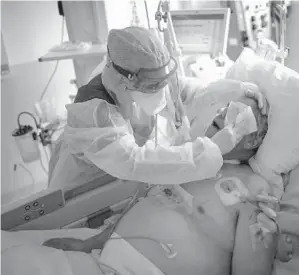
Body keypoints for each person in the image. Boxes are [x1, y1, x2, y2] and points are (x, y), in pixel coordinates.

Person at [47, 26, 268, 190]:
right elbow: (135, 161)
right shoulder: (95, 111)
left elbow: (187, 92)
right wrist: (211, 149)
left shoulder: (153, 70)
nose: (161, 92)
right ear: (126, 80)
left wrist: (234, 89)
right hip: (87, 183)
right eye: (152, 86)